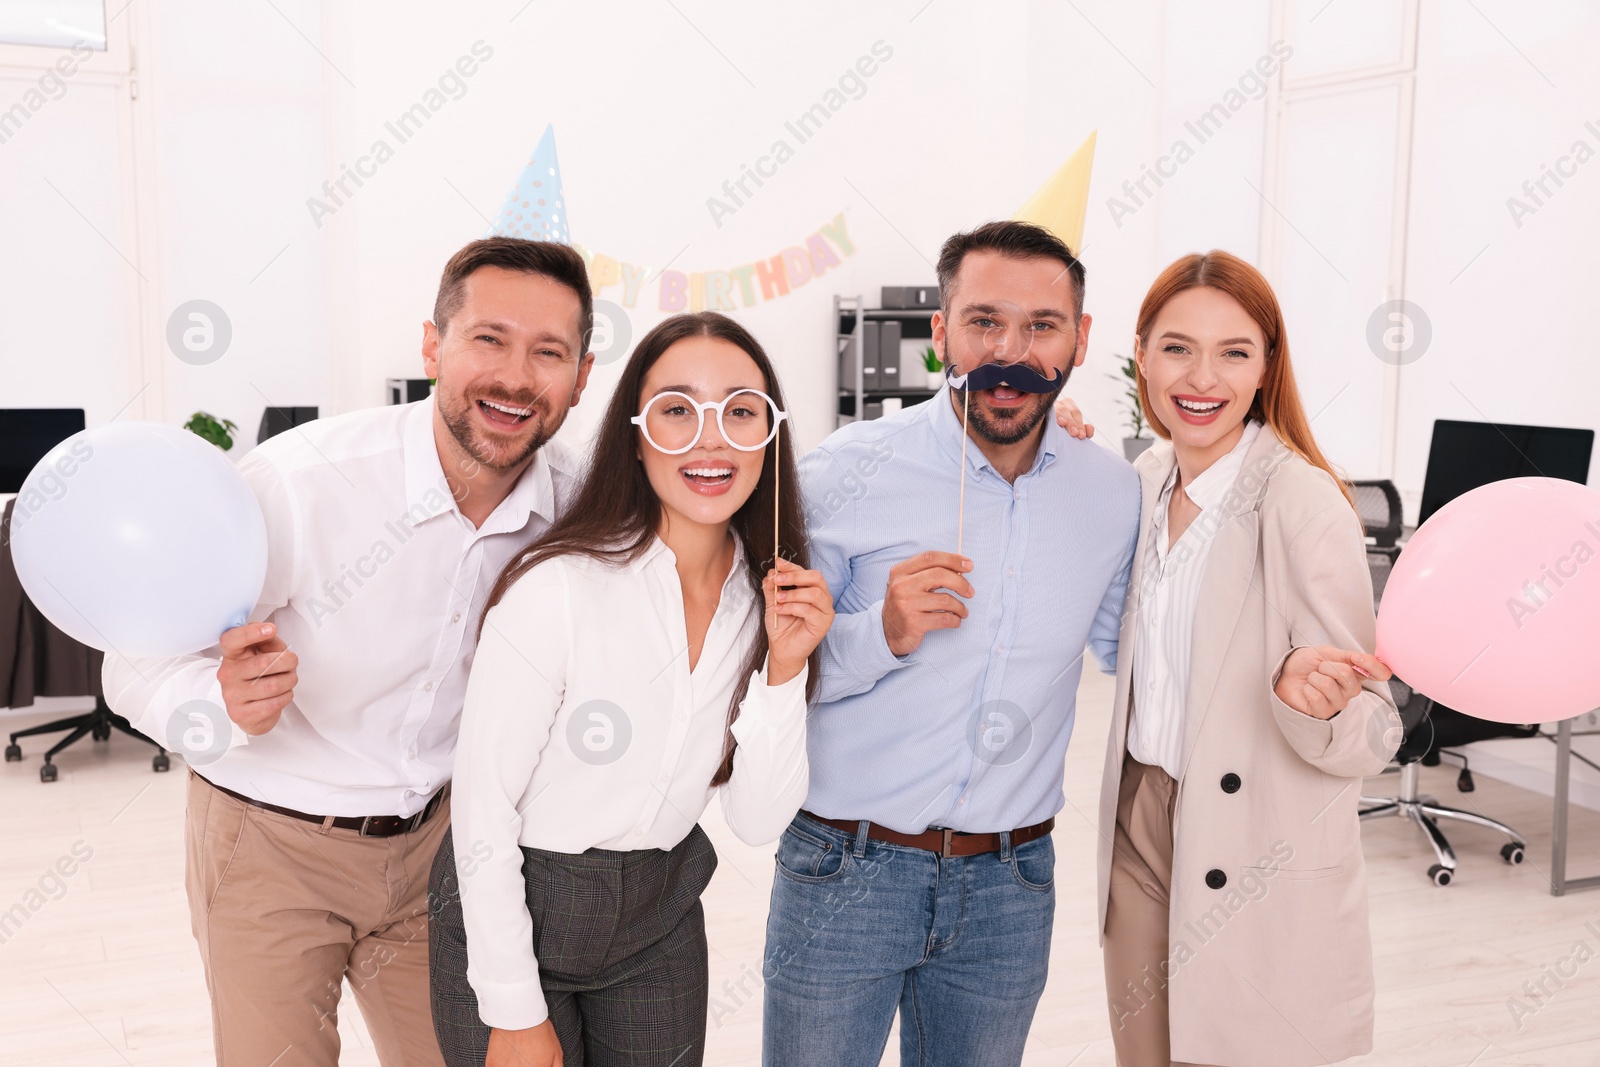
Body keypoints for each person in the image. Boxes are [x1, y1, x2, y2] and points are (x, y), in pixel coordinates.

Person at [102, 237, 597, 1067]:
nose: (515, 376)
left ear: (581, 376)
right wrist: (217, 707)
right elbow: (134, 660)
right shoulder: (303, 481)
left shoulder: (576, 509)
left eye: (548, 352)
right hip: (272, 846)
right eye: (489, 339)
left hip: (439, 851)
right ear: (434, 346)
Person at [761, 220, 1141, 1067]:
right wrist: (880, 632)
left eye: (1042, 326)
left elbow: (1130, 651)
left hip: (1010, 886)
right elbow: (774, 671)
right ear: (940, 334)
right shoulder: (842, 472)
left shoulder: (1114, 494)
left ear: (1080, 339)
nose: (1011, 349)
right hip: (844, 869)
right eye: (984, 321)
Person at [430, 311, 835, 1067]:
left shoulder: (766, 603)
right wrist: (515, 1009)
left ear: (769, 434)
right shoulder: (558, 587)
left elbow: (754, 820)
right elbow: (480, 809)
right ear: (636, 432)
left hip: (660, 913)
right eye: (678, 410)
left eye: (740, 411)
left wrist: (786, 669)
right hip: (518, 904)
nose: (711, 439)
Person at [1055, 250, 1401, 1066]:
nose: (1201, 376)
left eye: (1234, 352)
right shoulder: (1141, 480)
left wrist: (1310, 701)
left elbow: (1374, 729)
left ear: (1266, 366)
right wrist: (1056, 448)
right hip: (1141, 819)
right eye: (1177, 347)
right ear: (1139, 355)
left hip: (1256, 840)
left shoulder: (1302, 499)